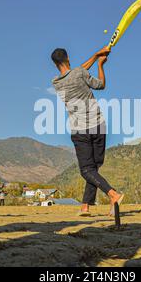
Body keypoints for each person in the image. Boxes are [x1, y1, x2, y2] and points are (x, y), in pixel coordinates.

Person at [51, 46, 124, 217]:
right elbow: (101, 85)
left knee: (87, 170)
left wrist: (96, 55)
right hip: (99, 126)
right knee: (92, 169)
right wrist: (100, 64)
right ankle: (85, 206)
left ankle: (113, 194)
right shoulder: (80, 73)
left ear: (55, 64)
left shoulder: (56, 83)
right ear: (68, 58)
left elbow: (77, 71)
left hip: (80, 130)